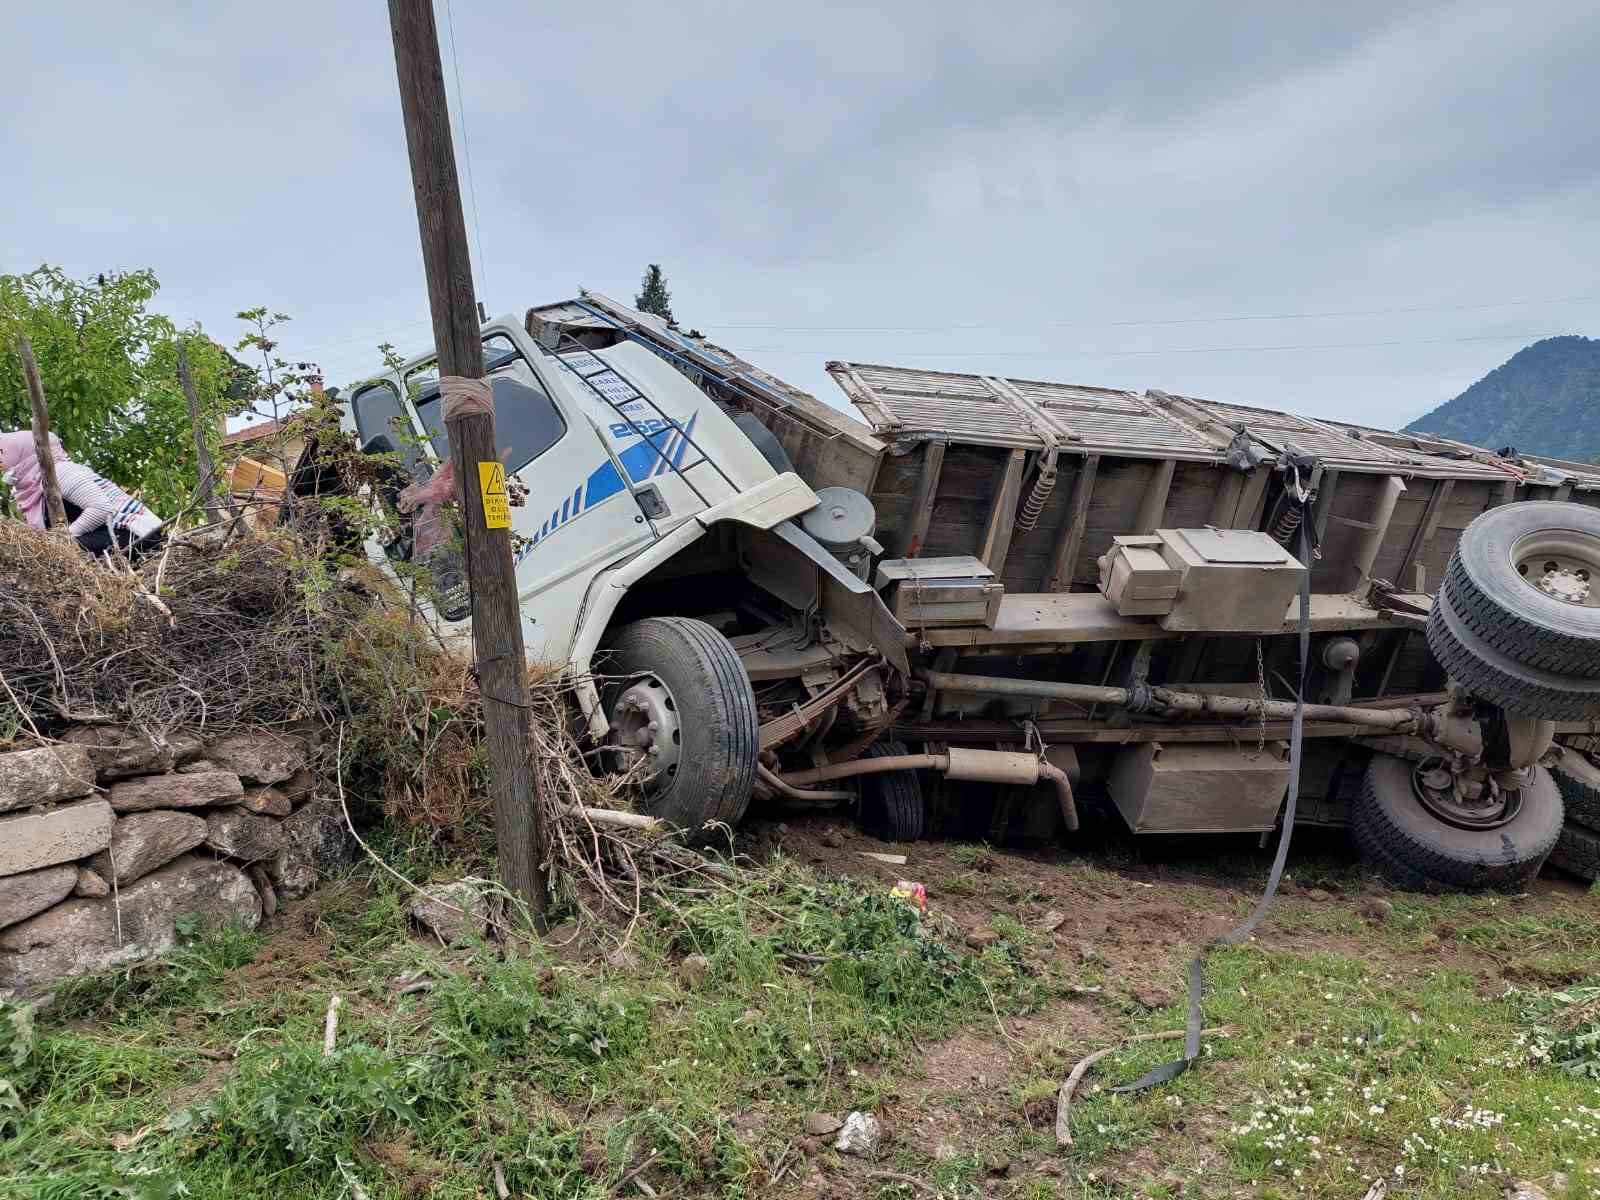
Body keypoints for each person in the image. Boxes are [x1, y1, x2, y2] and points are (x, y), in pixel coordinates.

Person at [0, 430, 165, 561]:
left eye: (2, 452)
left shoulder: (60, 472)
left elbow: (101, 508)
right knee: (45, 555)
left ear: (21, 451)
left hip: (136, 534)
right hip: (113, 536)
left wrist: (63, 538)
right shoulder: (32, 488)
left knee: (52, 555)